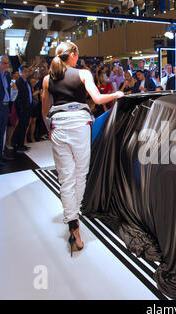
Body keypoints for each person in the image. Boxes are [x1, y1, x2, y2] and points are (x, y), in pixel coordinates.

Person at [41, 42, 124, 256]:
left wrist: (49, 129)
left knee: (65, 178)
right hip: (78, 124)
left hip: (58, 125)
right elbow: (97, 99)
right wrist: (117, 95)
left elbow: (45, 110)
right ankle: (74, 216)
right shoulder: (83, 73)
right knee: (80, 174)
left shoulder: (48, 79)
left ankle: (72, 221)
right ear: (74, 55)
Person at [0, 56, 18, 164]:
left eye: (8, 63)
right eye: (4, 63)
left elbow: (8, 91)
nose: (7, 65)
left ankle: (0, 154)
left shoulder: (7, 76)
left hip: (5, 106)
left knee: (1, 132)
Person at [12, 65, 33, 153]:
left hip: (27, 107)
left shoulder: (26, 81)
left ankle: (21, 144)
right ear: (20, 72)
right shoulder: (19, 82)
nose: (27, 73)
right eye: (24, 71)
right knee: (21, 126)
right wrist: (21, 108)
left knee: (24, 126)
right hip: (22, 108)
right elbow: (18, 97)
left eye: (27, 71)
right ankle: (18, 145)